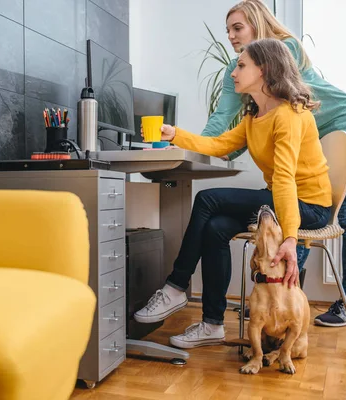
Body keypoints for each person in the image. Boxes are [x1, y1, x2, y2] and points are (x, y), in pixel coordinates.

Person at [134, 38, 332, 349]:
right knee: (215, 229)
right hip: (283, 200)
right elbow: (220, 145)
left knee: (208, 199)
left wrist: (291, 237)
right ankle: (213, 324)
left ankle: (175, 287)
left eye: (241, 66)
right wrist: (176, 134)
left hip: (309, 205)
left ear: (263, 70)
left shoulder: (290, 115)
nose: (233, 73)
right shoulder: (255, 117)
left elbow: (284, 179)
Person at [210, 0, 346, 326]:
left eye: (237, 28)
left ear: (257, 24)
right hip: (308, 132)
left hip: (341, 123)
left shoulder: (283, 50)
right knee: (290, 207)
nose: (231, 36)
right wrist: (207, 148)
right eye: (228, 30)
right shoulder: (236, 69)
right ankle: (284, 299)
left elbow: (277, 105)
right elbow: (226, 117)